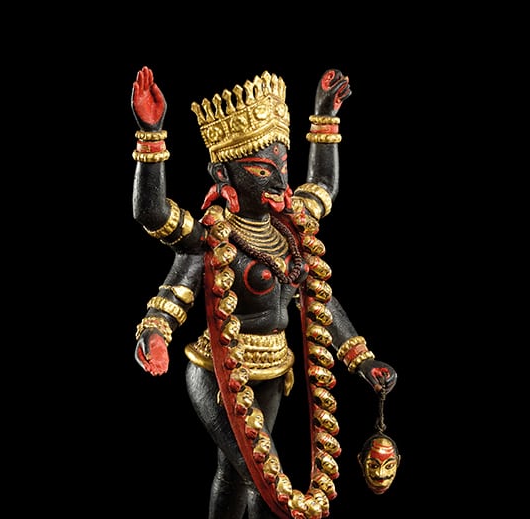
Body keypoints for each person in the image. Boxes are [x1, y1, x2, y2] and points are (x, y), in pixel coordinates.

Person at [130, 65, 398, 519]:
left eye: (283, 168)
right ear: (224, 175)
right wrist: (151, 136)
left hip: (275, 366)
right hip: (217, 369)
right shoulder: (212, 238)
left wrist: (361, 359)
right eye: (260, 171)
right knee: (260, 474)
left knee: (240, 474)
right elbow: (153, 218)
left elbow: (323, 197)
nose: (278, 184)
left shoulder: (290, 231)